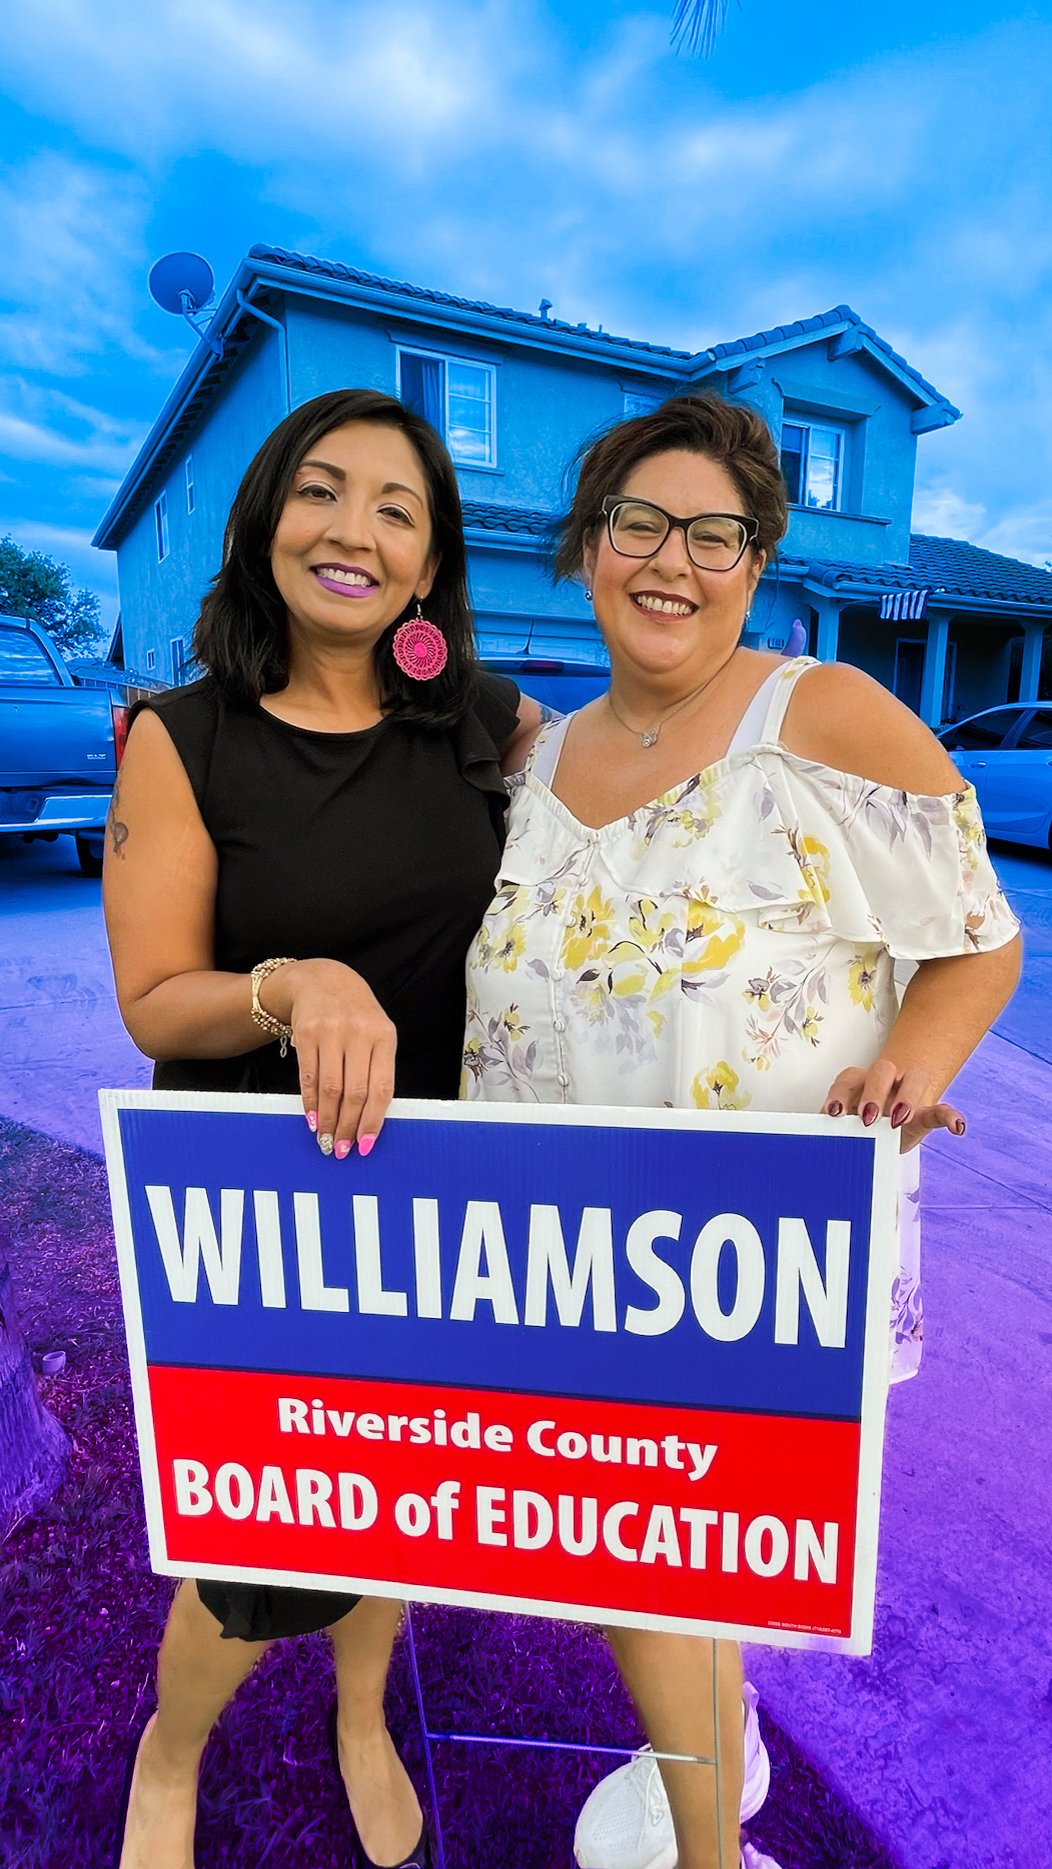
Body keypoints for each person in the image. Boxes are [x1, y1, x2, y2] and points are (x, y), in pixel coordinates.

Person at [461, 392, 1022, 1869]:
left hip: (752, 1258)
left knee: (666, 1566)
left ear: (757, 563)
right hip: (560, 1253)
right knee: (633, 1554)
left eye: (716, 535)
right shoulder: (533, 763)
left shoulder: (818, 718)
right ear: (586, 545)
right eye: (639, 523)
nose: (673, 560)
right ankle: (719, 1743)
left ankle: (715, 1843)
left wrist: (909, 1063)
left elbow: (978, 938)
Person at [102, 388, 540, 1869]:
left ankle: (361, 1713)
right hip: (261, 1208)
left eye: (397, 509)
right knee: (255, 1539)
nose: (354, 530)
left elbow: (640, 831)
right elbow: (155, 1003)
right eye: (322, 490)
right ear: (265, 519)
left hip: (440, 1199)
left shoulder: (484, 721)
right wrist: (292, 985)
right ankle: (169, 1759)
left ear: (432, 563)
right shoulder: (182, 737)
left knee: (393, 1496)